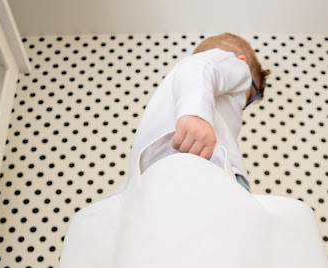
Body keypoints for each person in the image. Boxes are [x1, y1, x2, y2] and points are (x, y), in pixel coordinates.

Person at [116, 32, 271, 195]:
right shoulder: (233, 68)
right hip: (213, 171)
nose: (243, 107)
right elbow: (197, 65)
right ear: (239, 62)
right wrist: (196, 115)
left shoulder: (169, 95)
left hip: (145, 183)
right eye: (251, 95)